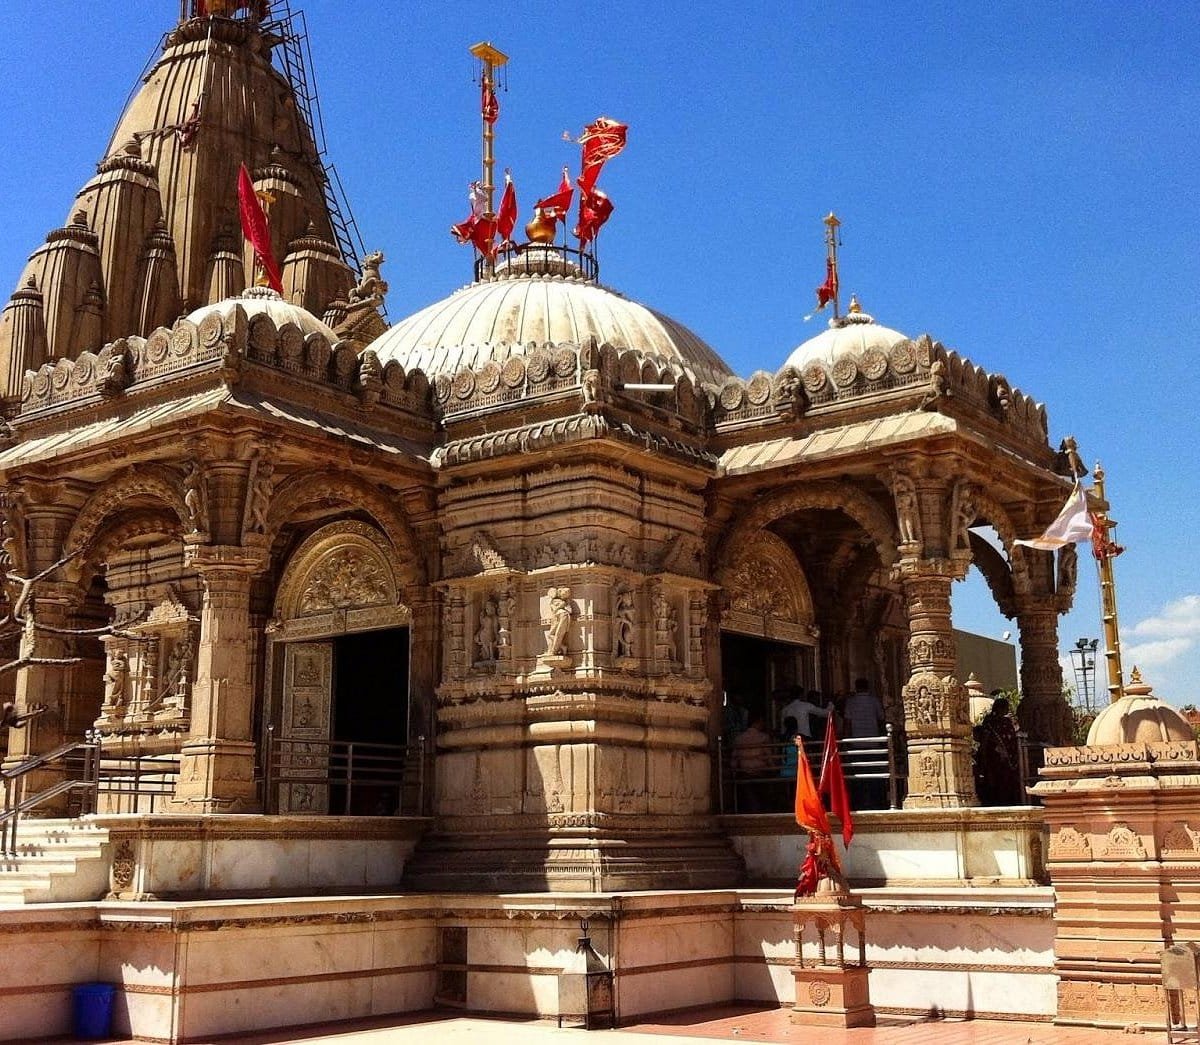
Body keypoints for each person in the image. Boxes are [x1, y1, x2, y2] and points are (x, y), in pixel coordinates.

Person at [843, 678, 886, 807]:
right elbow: (881, 719)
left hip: (856, 742)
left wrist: (846, 740)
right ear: (868, 687)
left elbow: (847, 722)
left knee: (858, 774)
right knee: (874, 773)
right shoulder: (874, 701)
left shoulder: (851, 702)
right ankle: (877, 801)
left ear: (856, 688)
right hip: (873, 741)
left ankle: (858, 801)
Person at [973, 697, 1023, 806]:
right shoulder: (990, 722)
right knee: (995, 781)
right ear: (999, 708)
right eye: (1004, 708)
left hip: (1009, 759)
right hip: (993, 757)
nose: (1006, 710)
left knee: (1008, 781)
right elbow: (986, 739)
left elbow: (1012, 738)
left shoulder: (1007, 721)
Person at [730, 714, 775, 812]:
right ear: (758, 722)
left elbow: (734, 758)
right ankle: (764, 809)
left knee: (749, 793)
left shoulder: (739, 738)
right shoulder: (763, 737)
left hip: (744, 771)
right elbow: (768, 756)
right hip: (761, 771)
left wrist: (733, 772)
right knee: (764, 791)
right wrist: (773, 768)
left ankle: (753, 808)